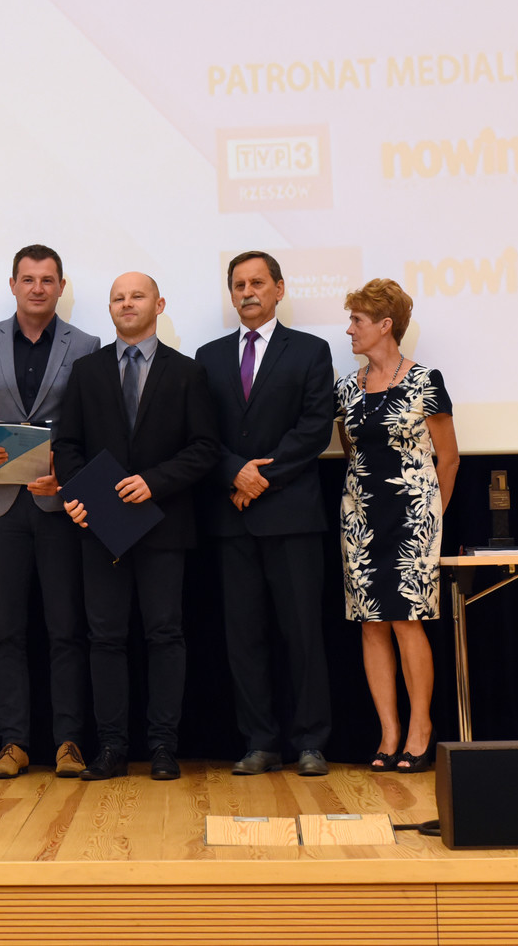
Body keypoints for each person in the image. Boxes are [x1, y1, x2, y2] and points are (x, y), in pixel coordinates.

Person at [53, 272, 219, 782]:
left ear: (159, 304)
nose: (127, 304)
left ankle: (164, 746)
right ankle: (111, 748)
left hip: (164, 525)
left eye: (137, 296)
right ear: (110, 309)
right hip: (100, 527)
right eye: (118, 298)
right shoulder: (86, 371)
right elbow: (67, 445)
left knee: (165, 635)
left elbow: (204, 448)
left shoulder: (187, 372)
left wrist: (155, 482)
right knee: (105, 639)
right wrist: (79, 497)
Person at [0, 244, 100, 779]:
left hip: (58, 504)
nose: (37, 288)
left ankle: (69, 742)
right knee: (5, 632)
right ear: (13, 284)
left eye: (47, 280)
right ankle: (13, 743)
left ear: (61, 286)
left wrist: (66, 473)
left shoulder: (85, 345)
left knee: (66, 629)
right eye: (28, 279)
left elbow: (87, 426)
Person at [196, 251, 335, 777]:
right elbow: (200, 433)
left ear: (279, 288)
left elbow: (315, 428)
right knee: (244, 638)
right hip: (232, 519)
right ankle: (260, 741)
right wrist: (235, 472)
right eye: (239, 284)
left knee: (303, 635)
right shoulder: (208, 356)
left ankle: (311, 742)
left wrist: (259, 479)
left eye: (257, 282)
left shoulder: (311, 350)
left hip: (292, 516)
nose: (247, 291)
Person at [336, 279, 459, 774]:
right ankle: (388, 734)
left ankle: (420, 730)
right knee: (371, 624)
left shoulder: (426, 380)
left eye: (357, 321)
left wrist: (432, 517)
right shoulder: (347, 388)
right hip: (361, 519)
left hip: (414, 520)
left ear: (385, 325)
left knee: (407, 621)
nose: (349, 330)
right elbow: (352, 450)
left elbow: (448, 458)